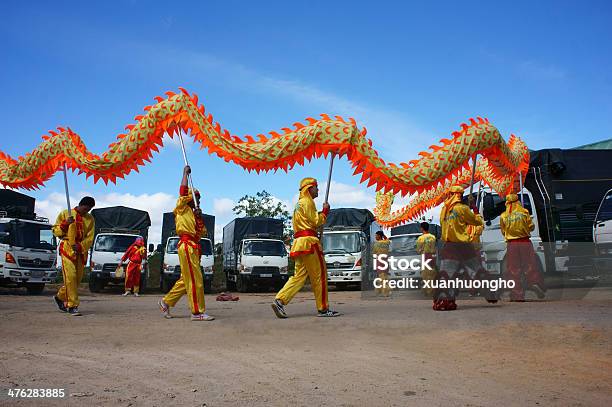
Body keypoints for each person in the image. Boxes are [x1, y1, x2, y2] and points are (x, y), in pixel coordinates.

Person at [271, 177, 340, 318]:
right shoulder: (308, 202)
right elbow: (316, 220)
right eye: (316, 187)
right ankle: (323, 309)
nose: (318, 189)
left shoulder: (298, 205)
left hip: (300, 243)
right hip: (310, 243)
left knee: (299, 277)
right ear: (309, 188)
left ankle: (280, 300)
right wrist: (325, 212)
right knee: (319, 276)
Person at [158, 166, 214, 321]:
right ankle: (197, 313)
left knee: (186, 280)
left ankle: (165, 302)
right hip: (187, 246)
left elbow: (202, 233)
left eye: (199, 198)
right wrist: (184, 174)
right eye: (196, 197)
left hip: (194, 248)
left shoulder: (195, 215)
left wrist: (200, 217)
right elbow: (182, 191)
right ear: (190, 198)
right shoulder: (181, 208)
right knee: (196, 280)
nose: (199, 200)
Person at [435, 186, 491, 311]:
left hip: (449, 246)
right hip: (464, 247)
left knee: (446, 276)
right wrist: (474, 209)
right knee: (476, 271)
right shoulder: (462, 209)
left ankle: (444, 302)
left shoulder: (444, 210)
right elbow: (477, 222)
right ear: (460, 195)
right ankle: (490, 293)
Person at [52, 196, 96, 316]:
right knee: (70, 276)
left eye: (89, 209)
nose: (87, 211)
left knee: (76, 281)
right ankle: (72, 305)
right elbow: (55, 231)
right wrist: (65, 224)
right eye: (86, 209)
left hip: (81, 251)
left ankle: (60, 296)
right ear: (81, 205)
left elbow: (90, 237)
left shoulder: (90, 219)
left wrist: (81, 246)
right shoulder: (66, 213)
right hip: (67, 248)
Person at [501, 193, 546, 301]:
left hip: (512, 244)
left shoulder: (504, 215)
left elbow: (503, 231)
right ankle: (534, 282)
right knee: (530, 265)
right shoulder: (524, 212)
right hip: (525, 242)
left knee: (513, 269)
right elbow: (531, 227)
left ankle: (517, 295)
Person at [416, 222, 437, 297]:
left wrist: (420, 250)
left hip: (425, 257)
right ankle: (430, 290)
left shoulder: (420, 238)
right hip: (433, 257)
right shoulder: (433, 237)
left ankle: (429, 291)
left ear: (422, 228)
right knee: (432, 274)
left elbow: (418, 250)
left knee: (425, 275)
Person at [373, 231, 391, 297]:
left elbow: (374, 253)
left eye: (376, 235)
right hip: (386, 260)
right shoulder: (386, 242)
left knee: (381, 276)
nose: (375, 237)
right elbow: (387, 240)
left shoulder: (376, 244)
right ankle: (379, 290)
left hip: (380, 261)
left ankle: (386, 291)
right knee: (385, 276)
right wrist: (384, 236)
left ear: (379, 236)